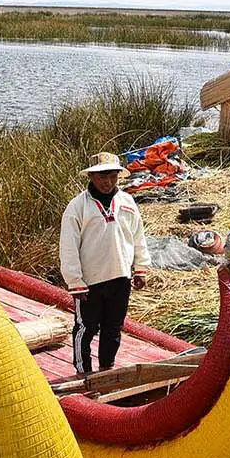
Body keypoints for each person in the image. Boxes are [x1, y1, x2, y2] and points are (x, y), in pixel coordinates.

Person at [59, 152, 149, 374]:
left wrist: (141, 268)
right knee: (85, 328)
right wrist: (75, 281)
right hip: (89, 282)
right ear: (91, 177)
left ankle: (107, 369)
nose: (107, 182)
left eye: (112, 176)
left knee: (113, 327)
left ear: (118, 176)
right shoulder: (77, 207)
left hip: (120, 277)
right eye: (101, 177)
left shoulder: (127, 202)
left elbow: (138, 237)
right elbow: (68, 247)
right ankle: (83, 373)